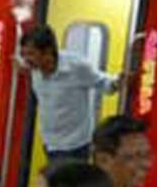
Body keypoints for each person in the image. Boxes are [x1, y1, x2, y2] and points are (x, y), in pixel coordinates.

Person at [20, 24, 125, 161]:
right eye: (24, 54)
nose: (26, 59)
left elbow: (103, 83)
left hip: (75, 145)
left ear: (48, 52)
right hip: (50, 143)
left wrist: (118, 82)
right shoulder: (35, 69)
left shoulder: (76, 67)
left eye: (31, 54)